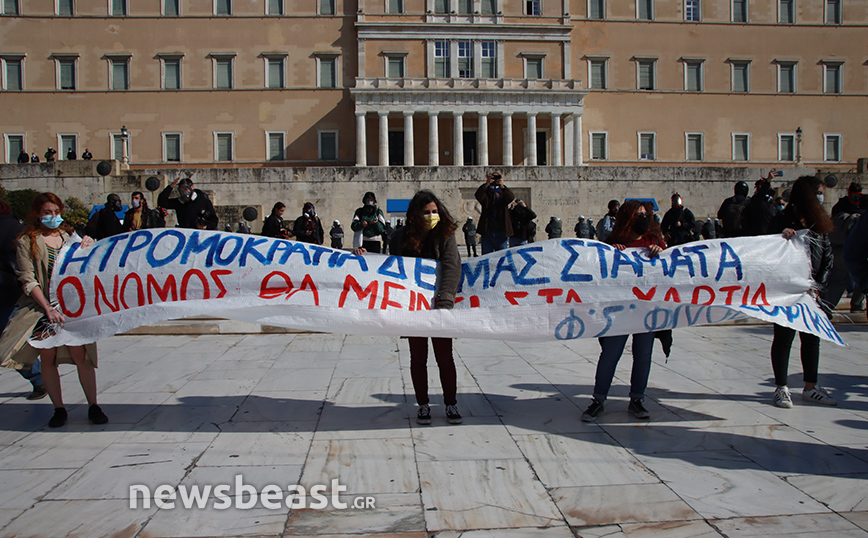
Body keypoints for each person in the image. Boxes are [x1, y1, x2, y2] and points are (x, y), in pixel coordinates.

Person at [355, 190, 462, 425]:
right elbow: (389, 267)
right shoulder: (400, 236)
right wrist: (362, 256)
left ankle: (451, 403)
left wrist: (444, 302)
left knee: (445, 358)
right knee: (418, 358)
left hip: (439, 305)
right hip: (413, 307)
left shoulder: (446, 234)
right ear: (415, 214)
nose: (432, 216)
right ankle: (423, 404)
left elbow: (452, 267)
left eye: (434, 212)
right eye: (426, 212)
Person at [0, 193, 104, 427]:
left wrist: (86, 248)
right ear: (37, 213)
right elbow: (27, 278)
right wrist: (47, 308)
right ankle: (59, 408)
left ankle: (93, 405)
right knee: (48, 357)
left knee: (81, 356)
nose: (52, 216)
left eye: (56, 212)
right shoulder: (27, 241)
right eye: (47, 212)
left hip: (71, 307)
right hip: (42, 308)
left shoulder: (68, 237)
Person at [582, 200, 666, 422]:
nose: (642, 218)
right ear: (627, 218)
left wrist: (660, 253)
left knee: (643, 355)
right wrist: (611, 253)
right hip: (618, 310)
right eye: (637, 215)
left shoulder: (654, 241)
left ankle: (637, 399)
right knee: (610, 355)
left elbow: (669, 271)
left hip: (646, 309)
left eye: (644, 214)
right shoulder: (612, 243)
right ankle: (598, 400)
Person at [767, 176, 836, 408]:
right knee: (784, 338)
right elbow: (766, 249)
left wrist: (819, 286)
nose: (821, 196)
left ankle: (811, 386)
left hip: (812, 291)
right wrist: (781, 238)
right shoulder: (783, 220)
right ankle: (781, 387)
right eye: (818, 191)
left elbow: (828, 257)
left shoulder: (819, 222)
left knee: (811, 338)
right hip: (788, 290)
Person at [0, 201, 45, 400]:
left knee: (9, 341)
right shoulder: (19, 229)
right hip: (14, 292)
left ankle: (39, 378)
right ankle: (39, 379)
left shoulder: (16, 233)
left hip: (6, 293)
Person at [475, 171, 514, 254]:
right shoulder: (487, 193)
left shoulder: (503, 193)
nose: (495, 180)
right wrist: (486, 184)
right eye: (493, 178)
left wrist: (502, 186)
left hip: (501, 230)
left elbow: (510, 197)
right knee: (486, 255)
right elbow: (478, 196)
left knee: (501, 255)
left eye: (497, 178)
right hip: (488, 229)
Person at [742, 172, 779, 236]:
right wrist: (768, 180)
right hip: (760, 235)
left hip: (772, 236)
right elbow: (761, 193)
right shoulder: (756, 201)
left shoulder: (771, 203)